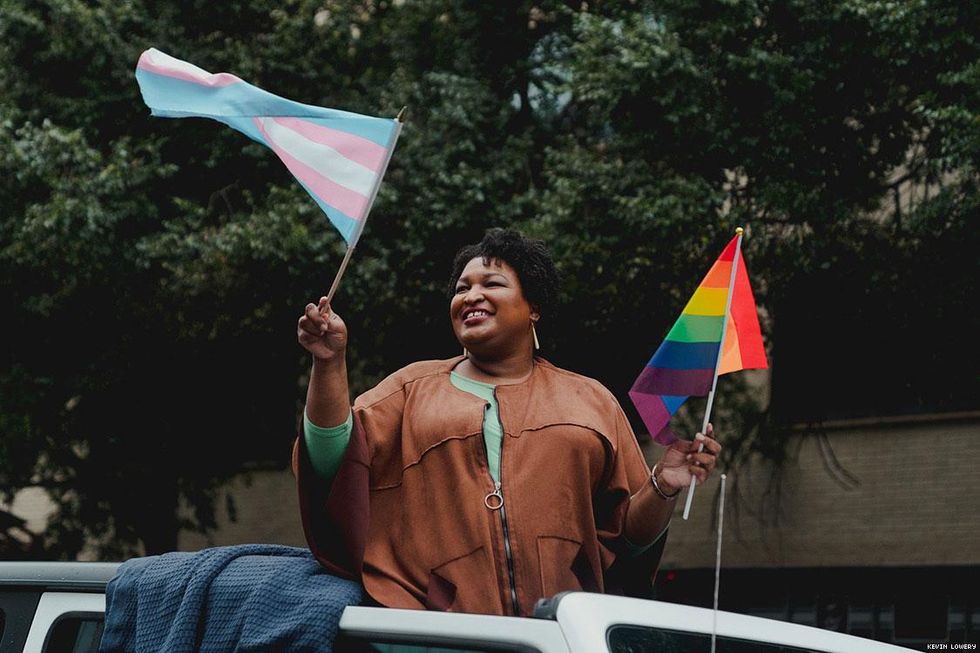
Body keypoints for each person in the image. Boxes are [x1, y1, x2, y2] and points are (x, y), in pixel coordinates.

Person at [293, 228, 721, 616]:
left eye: (491, 284)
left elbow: (627, 541)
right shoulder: (408, 390)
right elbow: (331, 465)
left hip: (557, 634)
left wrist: (663, 484)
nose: (470, 295)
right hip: (437, 635)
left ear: (533, 307)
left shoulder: (591, 401)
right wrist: (329, 364)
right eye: (462, 288)